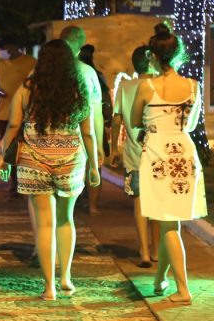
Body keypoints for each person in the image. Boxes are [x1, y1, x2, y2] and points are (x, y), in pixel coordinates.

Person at [2, 39, 100, 301]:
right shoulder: (79, 91)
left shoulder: (27, 89)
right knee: (66, 219)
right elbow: (88, 133)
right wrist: (95, 167)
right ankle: (66, 277)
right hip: (70, 160)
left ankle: (49, 288)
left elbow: (13, 126)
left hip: (34, 161)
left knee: (45, 223)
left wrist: (4, 157)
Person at [131, 23, 207, 304]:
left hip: (157, 153)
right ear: (178, 54)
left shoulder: (147, 86)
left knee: (168, 224)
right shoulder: (193, 86)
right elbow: (193, 122)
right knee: (167, 221)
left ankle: (183, 290)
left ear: (152, 56)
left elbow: (135, 120)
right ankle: (160, 278)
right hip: (184, 153)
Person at [110, 46, 160, 268]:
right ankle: (157, 249)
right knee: (157, 202)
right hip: (157, 152)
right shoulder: (158, 85)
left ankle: (144, 252)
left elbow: (117, 120)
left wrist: (114, 149)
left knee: (139, 202)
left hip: (133, 154)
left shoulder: (126, 86)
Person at [60, 26, 105, 216]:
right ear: (80, 47)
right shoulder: (88, 72)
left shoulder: (42, 71)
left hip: (49, 139)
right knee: (91, 169)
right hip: (79, 136)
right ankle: (92, 206)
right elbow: (96, 112)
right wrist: (99, 145)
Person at [0, 38, 37, 195]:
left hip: (27, 114)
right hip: (4, 114)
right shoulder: (0, 64)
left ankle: (26, 181)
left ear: (12, 46)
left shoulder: (31, 62)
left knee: (26, 149)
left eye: (2, 47)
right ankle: (14, 184)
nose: (1, 51)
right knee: (9, 149)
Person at [79, 44, 113, 157]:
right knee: (96, 161)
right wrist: (107, 122)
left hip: (79, 127)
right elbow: (106, 99)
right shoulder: (98, 75)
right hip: (96, 124)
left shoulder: (76, 75)